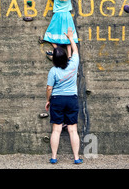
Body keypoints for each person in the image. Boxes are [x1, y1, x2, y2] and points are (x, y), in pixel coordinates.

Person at [45, 27, 83, 164]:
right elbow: (75, 51)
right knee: (73, 130)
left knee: (56, 130)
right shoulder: (73, 64)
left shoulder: (53, 71)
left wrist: (48, 100)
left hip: (57, 100)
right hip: (71, 99)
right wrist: (71, 38)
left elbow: (49, 88)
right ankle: (77, 158)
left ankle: (54, 157)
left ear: (54, 59)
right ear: (66, 57)